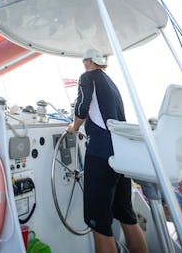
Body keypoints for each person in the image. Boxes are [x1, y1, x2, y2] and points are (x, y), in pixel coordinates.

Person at [67, 48, 148, 253]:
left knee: (99, 223)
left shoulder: (88, 77)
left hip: (101, 155)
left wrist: (73, 128)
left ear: (87, 62)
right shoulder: (111, 83)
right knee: (126, 216)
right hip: (121, 157)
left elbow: (81, 107)